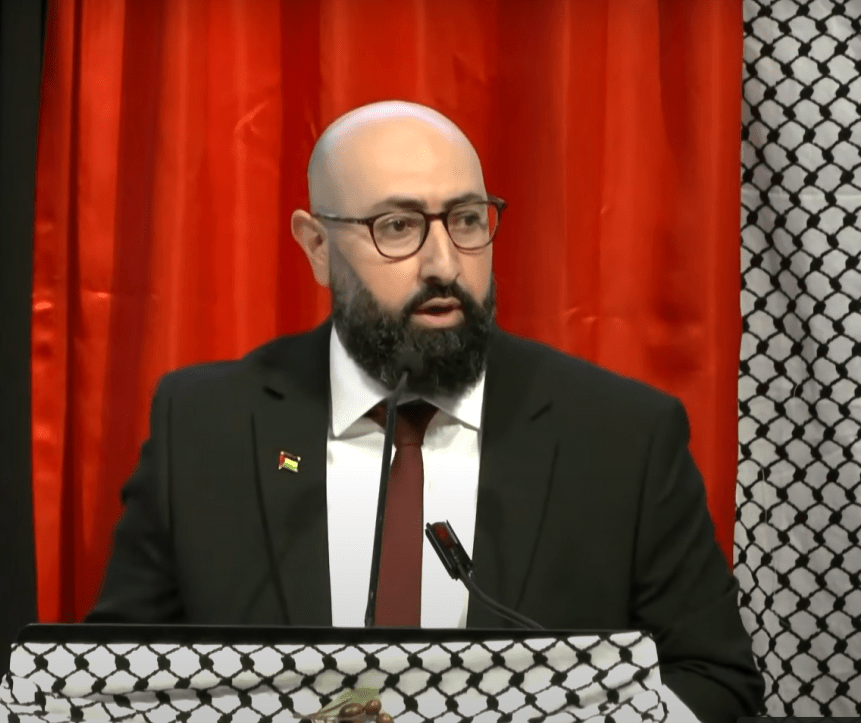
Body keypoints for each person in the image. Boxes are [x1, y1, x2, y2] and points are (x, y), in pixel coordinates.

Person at [87, 100, 764, 723]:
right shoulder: (205, 426)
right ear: (317, 245)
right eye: (398, 226)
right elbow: (115, 678)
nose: (444, 264)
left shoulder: (621, 435)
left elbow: (714, 678)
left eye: (466, 220)